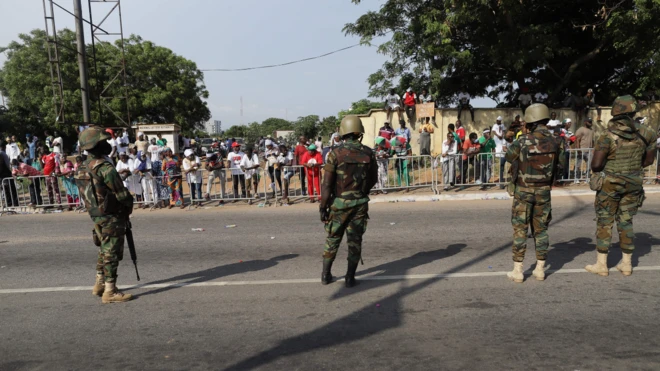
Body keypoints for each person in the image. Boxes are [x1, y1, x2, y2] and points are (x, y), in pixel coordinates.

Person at [585, 95, 657, 277]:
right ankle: (626, 264)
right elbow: (648, 160)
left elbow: (596, 165)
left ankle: (602, 265)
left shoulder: (607, 135)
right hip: (633, 183)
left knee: (605, 221)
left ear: (616, 111)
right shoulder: (647, 133)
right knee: (626, 221)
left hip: (610, 184)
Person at [505, 103, 565, 283]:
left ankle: (518, 271)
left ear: (530, 120)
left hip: (523, 191)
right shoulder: (557, 141)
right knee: (541, 231)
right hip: (544, 191)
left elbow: (509, 156)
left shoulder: (523, 140)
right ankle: (540, 269)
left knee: (520, 231)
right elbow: (561, 167)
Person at [75, 126, 134, 303]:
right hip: (111, 214)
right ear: (97, 144)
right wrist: (128, 207)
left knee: (104, 249)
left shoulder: (83, 166)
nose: (107, 144)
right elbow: (120, 192)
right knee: (111, 252)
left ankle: (99, 283)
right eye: (103, 141)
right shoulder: (104, 167)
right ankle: (110, 291)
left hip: (96, 214)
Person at [320, 115, 378, 287]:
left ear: (343, 132)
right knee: (355, 241)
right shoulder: (368, 153)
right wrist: (362, 192)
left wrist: (323, 207)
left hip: (339, 204)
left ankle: (325, 275)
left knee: (333, 239)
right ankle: (350, 278)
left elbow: (326, 185)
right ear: (359, 132)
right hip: (359, 203)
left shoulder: (335, 154)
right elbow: (373, 178)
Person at [0, 141, 18, 207]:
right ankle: (14, 203)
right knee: (11, 188)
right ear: (4, 147)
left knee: (6, 189)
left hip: (3, 174)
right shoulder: (2, 153)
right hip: (5, 173)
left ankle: (9, 203)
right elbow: (6, 164)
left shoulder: (2, 153)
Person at [492, 117, 507, 188]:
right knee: (497, 150)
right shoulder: (495, 125)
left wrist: (502, 135)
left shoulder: (502, 125)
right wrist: (498, 136)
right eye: (497, 120)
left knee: (502, 149)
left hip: (502, 140)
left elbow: (504, 131)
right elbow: (494, 132)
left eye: (499, 121)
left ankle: (501, 181)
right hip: (497, 139)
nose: (498, 121)